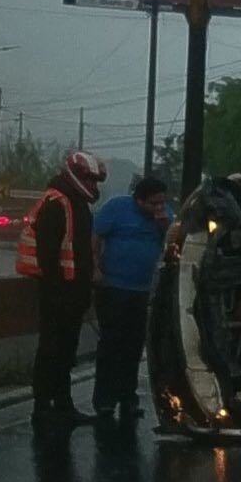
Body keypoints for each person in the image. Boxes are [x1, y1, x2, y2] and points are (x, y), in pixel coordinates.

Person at [18, 150, 107, 430]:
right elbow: (49, 254)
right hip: (57, 293)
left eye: (95, 181)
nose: (93, 186)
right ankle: (43, 406)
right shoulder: (57, 204)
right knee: (51, 350)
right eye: (89, 179)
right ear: (75, 176)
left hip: (73, 292)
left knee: (66, 351)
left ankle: (63, 404)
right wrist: (59, 290)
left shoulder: (76, 203)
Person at [91, 176, 174, 422]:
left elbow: (172, 246)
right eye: (153, 204)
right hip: (114, 287)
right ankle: (105, 400)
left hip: (141, 290)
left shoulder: (164, 216)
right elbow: (95, 235)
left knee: (134, 345)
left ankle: (128, 398)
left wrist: (164, 226)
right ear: (139, 200)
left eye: (161, 202)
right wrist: (94, 267)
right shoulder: (117, 208)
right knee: (111, 343)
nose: (158, 207)